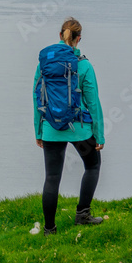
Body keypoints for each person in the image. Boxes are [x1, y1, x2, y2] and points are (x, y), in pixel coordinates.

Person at [33, 17, 105, 235]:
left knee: (52, 178)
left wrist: (39, 131)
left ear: (60, 36)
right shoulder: (84, 65)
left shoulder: (44, 64)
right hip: (79, 130)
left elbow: (38, 98)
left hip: (51, 129)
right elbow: (93, 102)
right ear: (79, 39)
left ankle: (49, 229)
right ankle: (83, 215)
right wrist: (99, 135)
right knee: (92, 166)